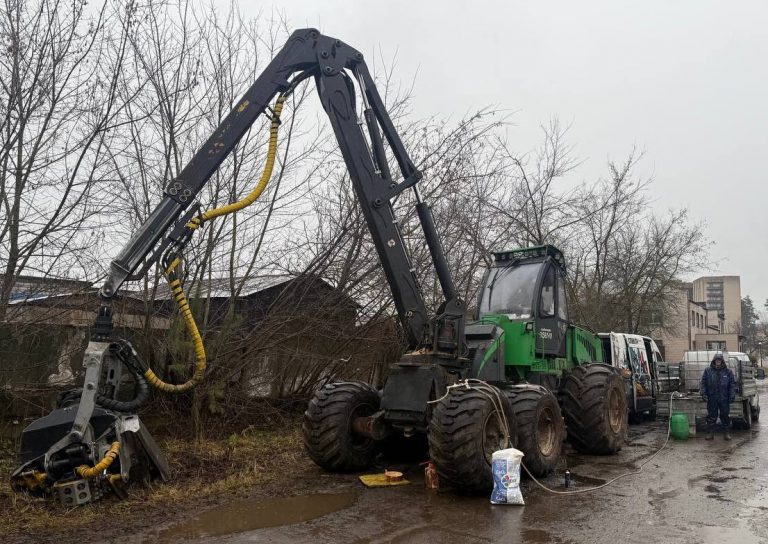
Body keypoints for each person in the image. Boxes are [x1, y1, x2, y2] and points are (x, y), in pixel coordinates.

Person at [700, 352, 737, 440]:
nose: (718, 361)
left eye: (719, 360)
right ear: (714, 361)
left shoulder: (728, 372)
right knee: (711, 416)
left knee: (725, 415)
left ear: (722, 361)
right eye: (716, 360)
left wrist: (732, 395)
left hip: (724, 398)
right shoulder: (707, 370)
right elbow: (703, 383)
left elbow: (732, 384)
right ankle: (710, 433)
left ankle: (726, 433)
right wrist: (704, 393)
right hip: (712, 397)